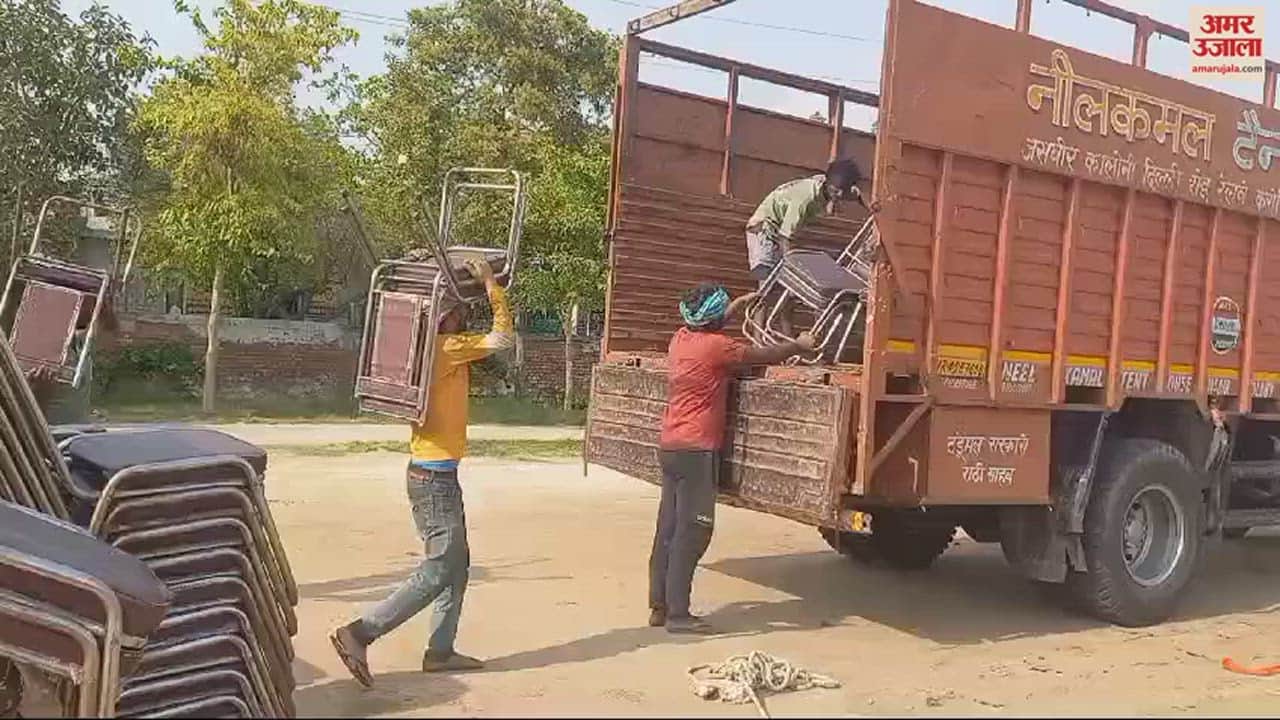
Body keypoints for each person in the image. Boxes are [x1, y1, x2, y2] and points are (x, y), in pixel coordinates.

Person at [331, 257, 513, 687]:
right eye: (459, 308)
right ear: (445, 314)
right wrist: (491, 284)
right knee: (439, 568)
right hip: (434, 479)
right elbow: (503, 337)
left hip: (432, 473)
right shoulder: (446, 348)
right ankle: (360, 633)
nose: (464, 314)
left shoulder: (425, 348)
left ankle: (440, 651)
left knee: (457, 565)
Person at [649, 283, 815, 634]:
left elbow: (708, 324)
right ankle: (679, 616)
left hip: (671, 447)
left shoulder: (680, 339)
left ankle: (659, 607)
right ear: (713, 320)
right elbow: (763, 355)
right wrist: (799, 345)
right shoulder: (719, 348)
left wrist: (736, 307)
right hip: (697, 451)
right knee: (693, 531)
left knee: (668, 529)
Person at [745, 158, 864, 337]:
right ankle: (757, 341)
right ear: (827, 183)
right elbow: (786, 236)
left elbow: (859, 195)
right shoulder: (805, 198)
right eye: (835, 190)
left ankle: (788, 340)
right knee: (765, 289)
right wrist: (795, 271)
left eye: (842, 191)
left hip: (780, 234)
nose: (839, 195)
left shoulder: (836, 188)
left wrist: (874, 207)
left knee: (788, 293)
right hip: (762, 231)